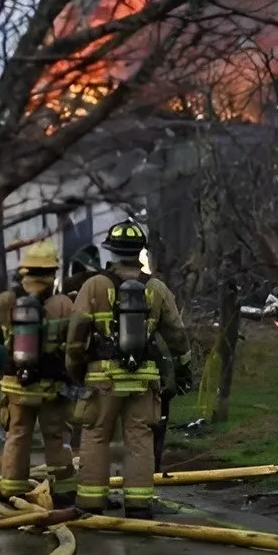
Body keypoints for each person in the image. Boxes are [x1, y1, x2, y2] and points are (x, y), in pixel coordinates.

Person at [68, 219, 190, 518]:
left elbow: (76, 334)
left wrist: (75, 369)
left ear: (111, 250)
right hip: (144, 378)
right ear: (140, 252)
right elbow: (177, 335)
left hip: (103, 377)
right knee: (140, 438)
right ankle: (138, 506)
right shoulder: (157, 288)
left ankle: (91, 504)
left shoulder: (94, 285)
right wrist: (183, 368)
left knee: (96, 435)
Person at [0, 240, 76, 504]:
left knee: (17, 434)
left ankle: (12, 490)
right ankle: (64, 491)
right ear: (52, 272)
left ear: (24, 271)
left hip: (16, 384)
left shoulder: (7, 300)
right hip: (51, 385)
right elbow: (75, 343)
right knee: (55, 436)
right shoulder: (63, 303)